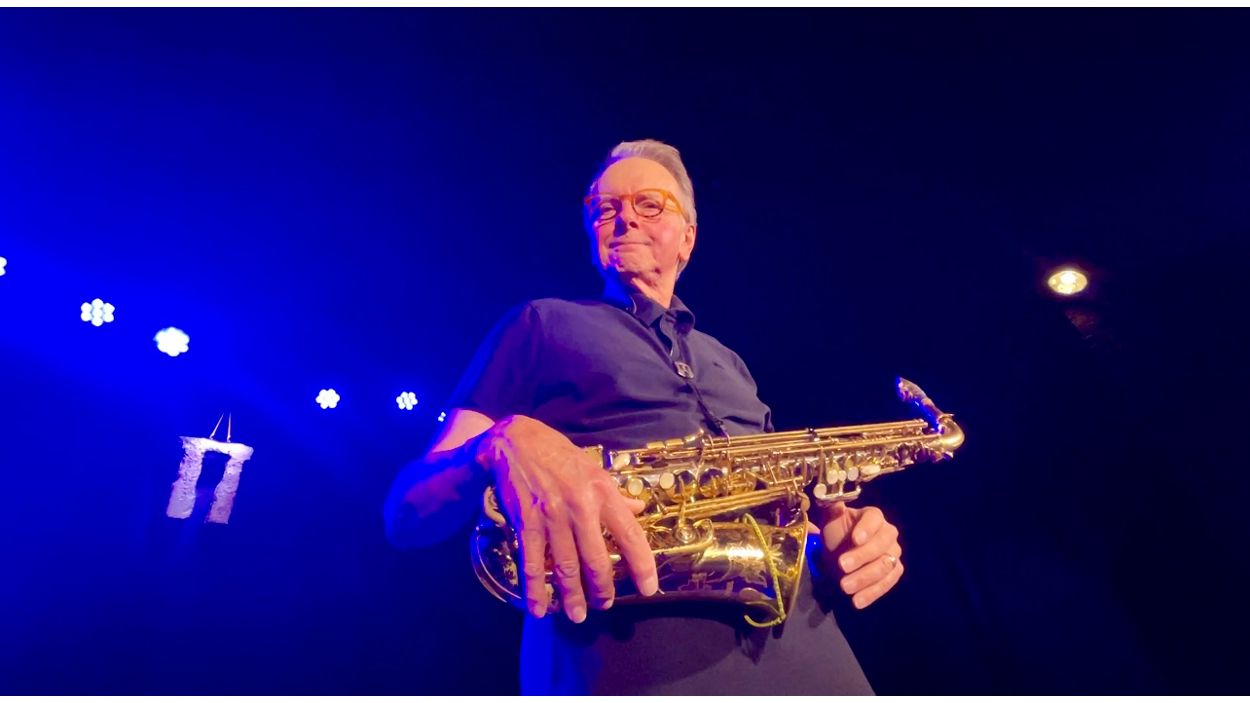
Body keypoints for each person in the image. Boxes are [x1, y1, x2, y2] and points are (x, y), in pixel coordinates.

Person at [383, 139, 903, 695]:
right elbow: (406, 514)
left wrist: (844, 539)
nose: (625, 217)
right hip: (634, 657)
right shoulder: (541, 323)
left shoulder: (730, 362)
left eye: (648, 204)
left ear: (688, 238)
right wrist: (498, 443)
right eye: (605, 208)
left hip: (808, 649)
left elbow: (789, 510)